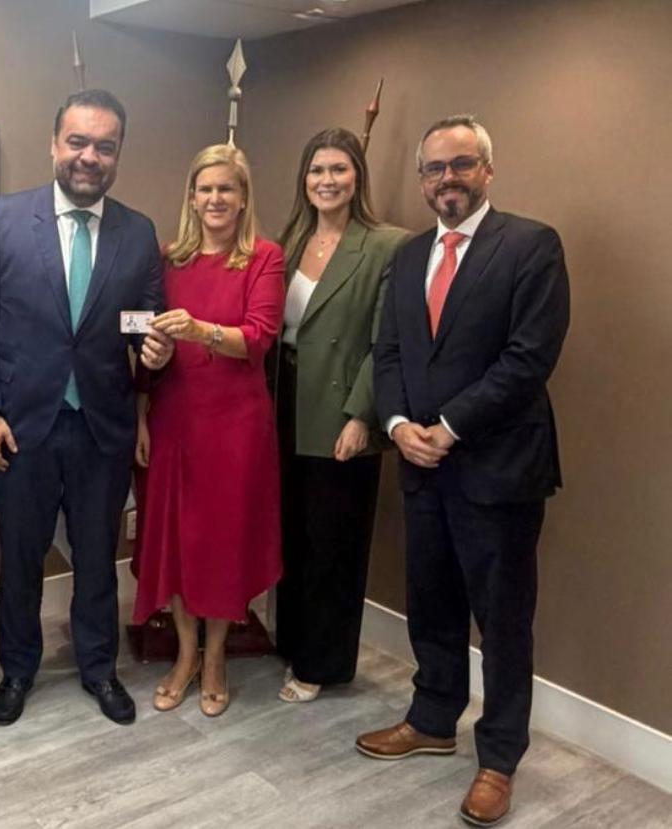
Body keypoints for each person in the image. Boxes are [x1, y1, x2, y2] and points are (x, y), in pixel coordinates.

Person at [358, 115, 569, 828]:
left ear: (487, 170)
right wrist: (396, 426)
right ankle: (432, 718)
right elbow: (388, 351)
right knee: (431, 601)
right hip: (421, 466)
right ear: (422, 179)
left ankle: (498, 758)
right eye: (434, 168)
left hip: (498, 471)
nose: (446, 178)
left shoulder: (531, 245)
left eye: (461, 164)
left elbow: (528, 359)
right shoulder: (409, 254)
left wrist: (446, 428)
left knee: (503, 620)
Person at [0, 88, 173, 727]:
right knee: (20, 559)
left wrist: (153, 344)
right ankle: (17, 670)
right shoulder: (4, 219)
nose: (89, 157)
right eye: (77, 142)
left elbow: (141, 318)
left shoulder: (138, 232)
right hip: (19, 428)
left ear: (118, 155)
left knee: (97, 558)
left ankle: (99, 668)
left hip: (101, 428)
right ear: (54, 145)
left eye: (104, 146)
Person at [132, 144, 283, 717]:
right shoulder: (166, 258)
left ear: (243, 198)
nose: (215, 198)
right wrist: (149, 359)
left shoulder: (264, 257)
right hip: (173, 417)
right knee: (174, 540)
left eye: (227, 188)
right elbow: (140, 328)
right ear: (191, 197)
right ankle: (186, 653)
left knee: (221, 542)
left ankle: (216, 656)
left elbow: (259, 337)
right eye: (206, 188)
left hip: (235, 424)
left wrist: (201, 330)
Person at [271, 128, 409, 704]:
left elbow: (386, 342)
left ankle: (321, 663)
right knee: (292, 532)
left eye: (338, 169)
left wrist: (360, 415)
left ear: (358, 176)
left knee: (334, 541)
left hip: (341, 406)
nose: (326, 181)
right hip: (283, 398)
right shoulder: (289, 240)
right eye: (316, 170)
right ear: (303, 179)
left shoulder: (386, 245)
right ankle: (292, 640)